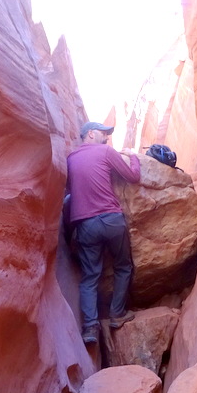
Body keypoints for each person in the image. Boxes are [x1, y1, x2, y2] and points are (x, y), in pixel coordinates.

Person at [65, 121, 141, 345]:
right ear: (90, 134)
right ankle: (117, 314)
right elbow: (133, 176)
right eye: (103, 133)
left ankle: (90, 328)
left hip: (85, 225)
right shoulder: (106, 151)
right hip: (111, 219)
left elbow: (71, 192)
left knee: (90, 277)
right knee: (123, 266)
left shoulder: (70, 159)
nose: (107, 138)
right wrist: (133, 156)